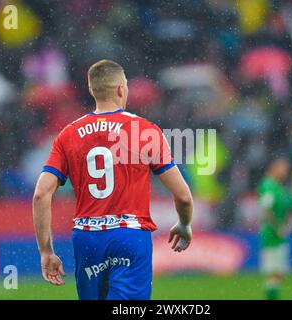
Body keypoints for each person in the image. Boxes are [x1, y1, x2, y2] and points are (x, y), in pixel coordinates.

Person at [32, 60, 194, 300]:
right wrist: (184, 223)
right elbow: (183, 195)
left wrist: (46, 251)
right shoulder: (144, 130)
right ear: (121, 89)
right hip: (129, 235)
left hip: (87, 237)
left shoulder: (68, 134)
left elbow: (40, 194)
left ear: (92, 90)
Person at [256, 155, 292, 300]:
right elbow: (265, 211)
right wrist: (278, 227)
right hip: (272, 236)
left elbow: (286, 207)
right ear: (274, 168)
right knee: (273, 274)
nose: (285, 171)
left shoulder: (277, 186)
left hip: (278, 235)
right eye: (283, 168)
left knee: (279, 274)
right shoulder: (268, 186)